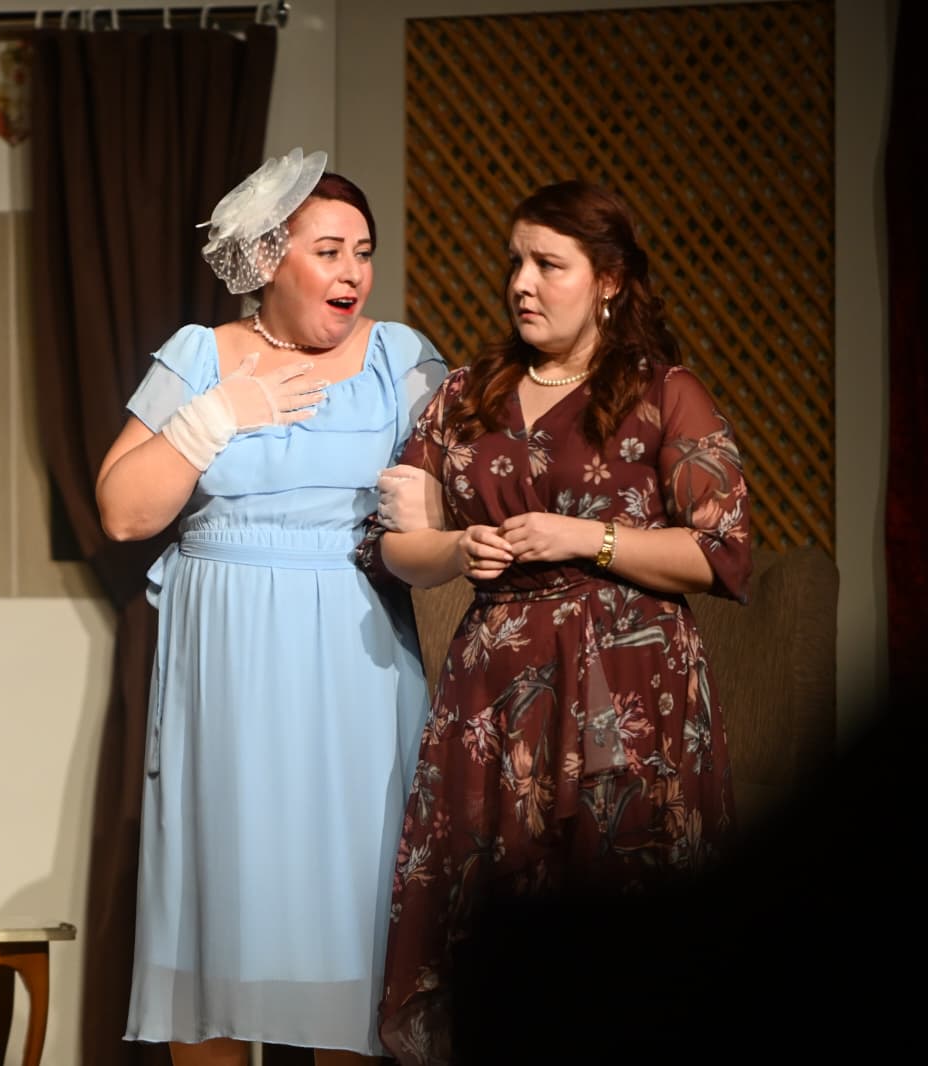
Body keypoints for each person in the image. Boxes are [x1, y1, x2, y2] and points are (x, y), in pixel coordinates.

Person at [367, 180, 752, 1064]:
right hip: (495, 693)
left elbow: (720, 550)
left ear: (608, 279)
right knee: (487, 922)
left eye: (548, 264)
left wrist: (588, 536)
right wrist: (456, 546)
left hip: (626, 691)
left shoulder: (664, 392)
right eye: (516, 262)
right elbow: (394, 548)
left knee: (618, 925)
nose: (522, 283)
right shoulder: (469, 393)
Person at [97, 149, 448, 1064]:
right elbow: (124, 511)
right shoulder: (201, 355)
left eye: (362, 252)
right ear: (267, 259)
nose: (351, 272)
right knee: (223, 908)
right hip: (226, 671)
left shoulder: (400, 360)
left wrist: (434, 506)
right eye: (328, 251)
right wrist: (218, 415)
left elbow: (465, 493)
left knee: (347, 926)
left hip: (354, 666)